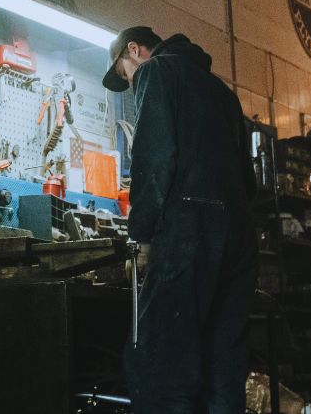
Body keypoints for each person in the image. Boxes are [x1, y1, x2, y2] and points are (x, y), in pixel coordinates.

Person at [101, 26, 257, 413]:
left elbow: (153, 159)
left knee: (162, 369)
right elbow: (247, 180)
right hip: (239, 238)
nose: (131, 82)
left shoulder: (157, 72)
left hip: (189, 232)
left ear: (134, 51)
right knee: (223, 373)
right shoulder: (224, 93)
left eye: (125, 73)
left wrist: (140, 237)